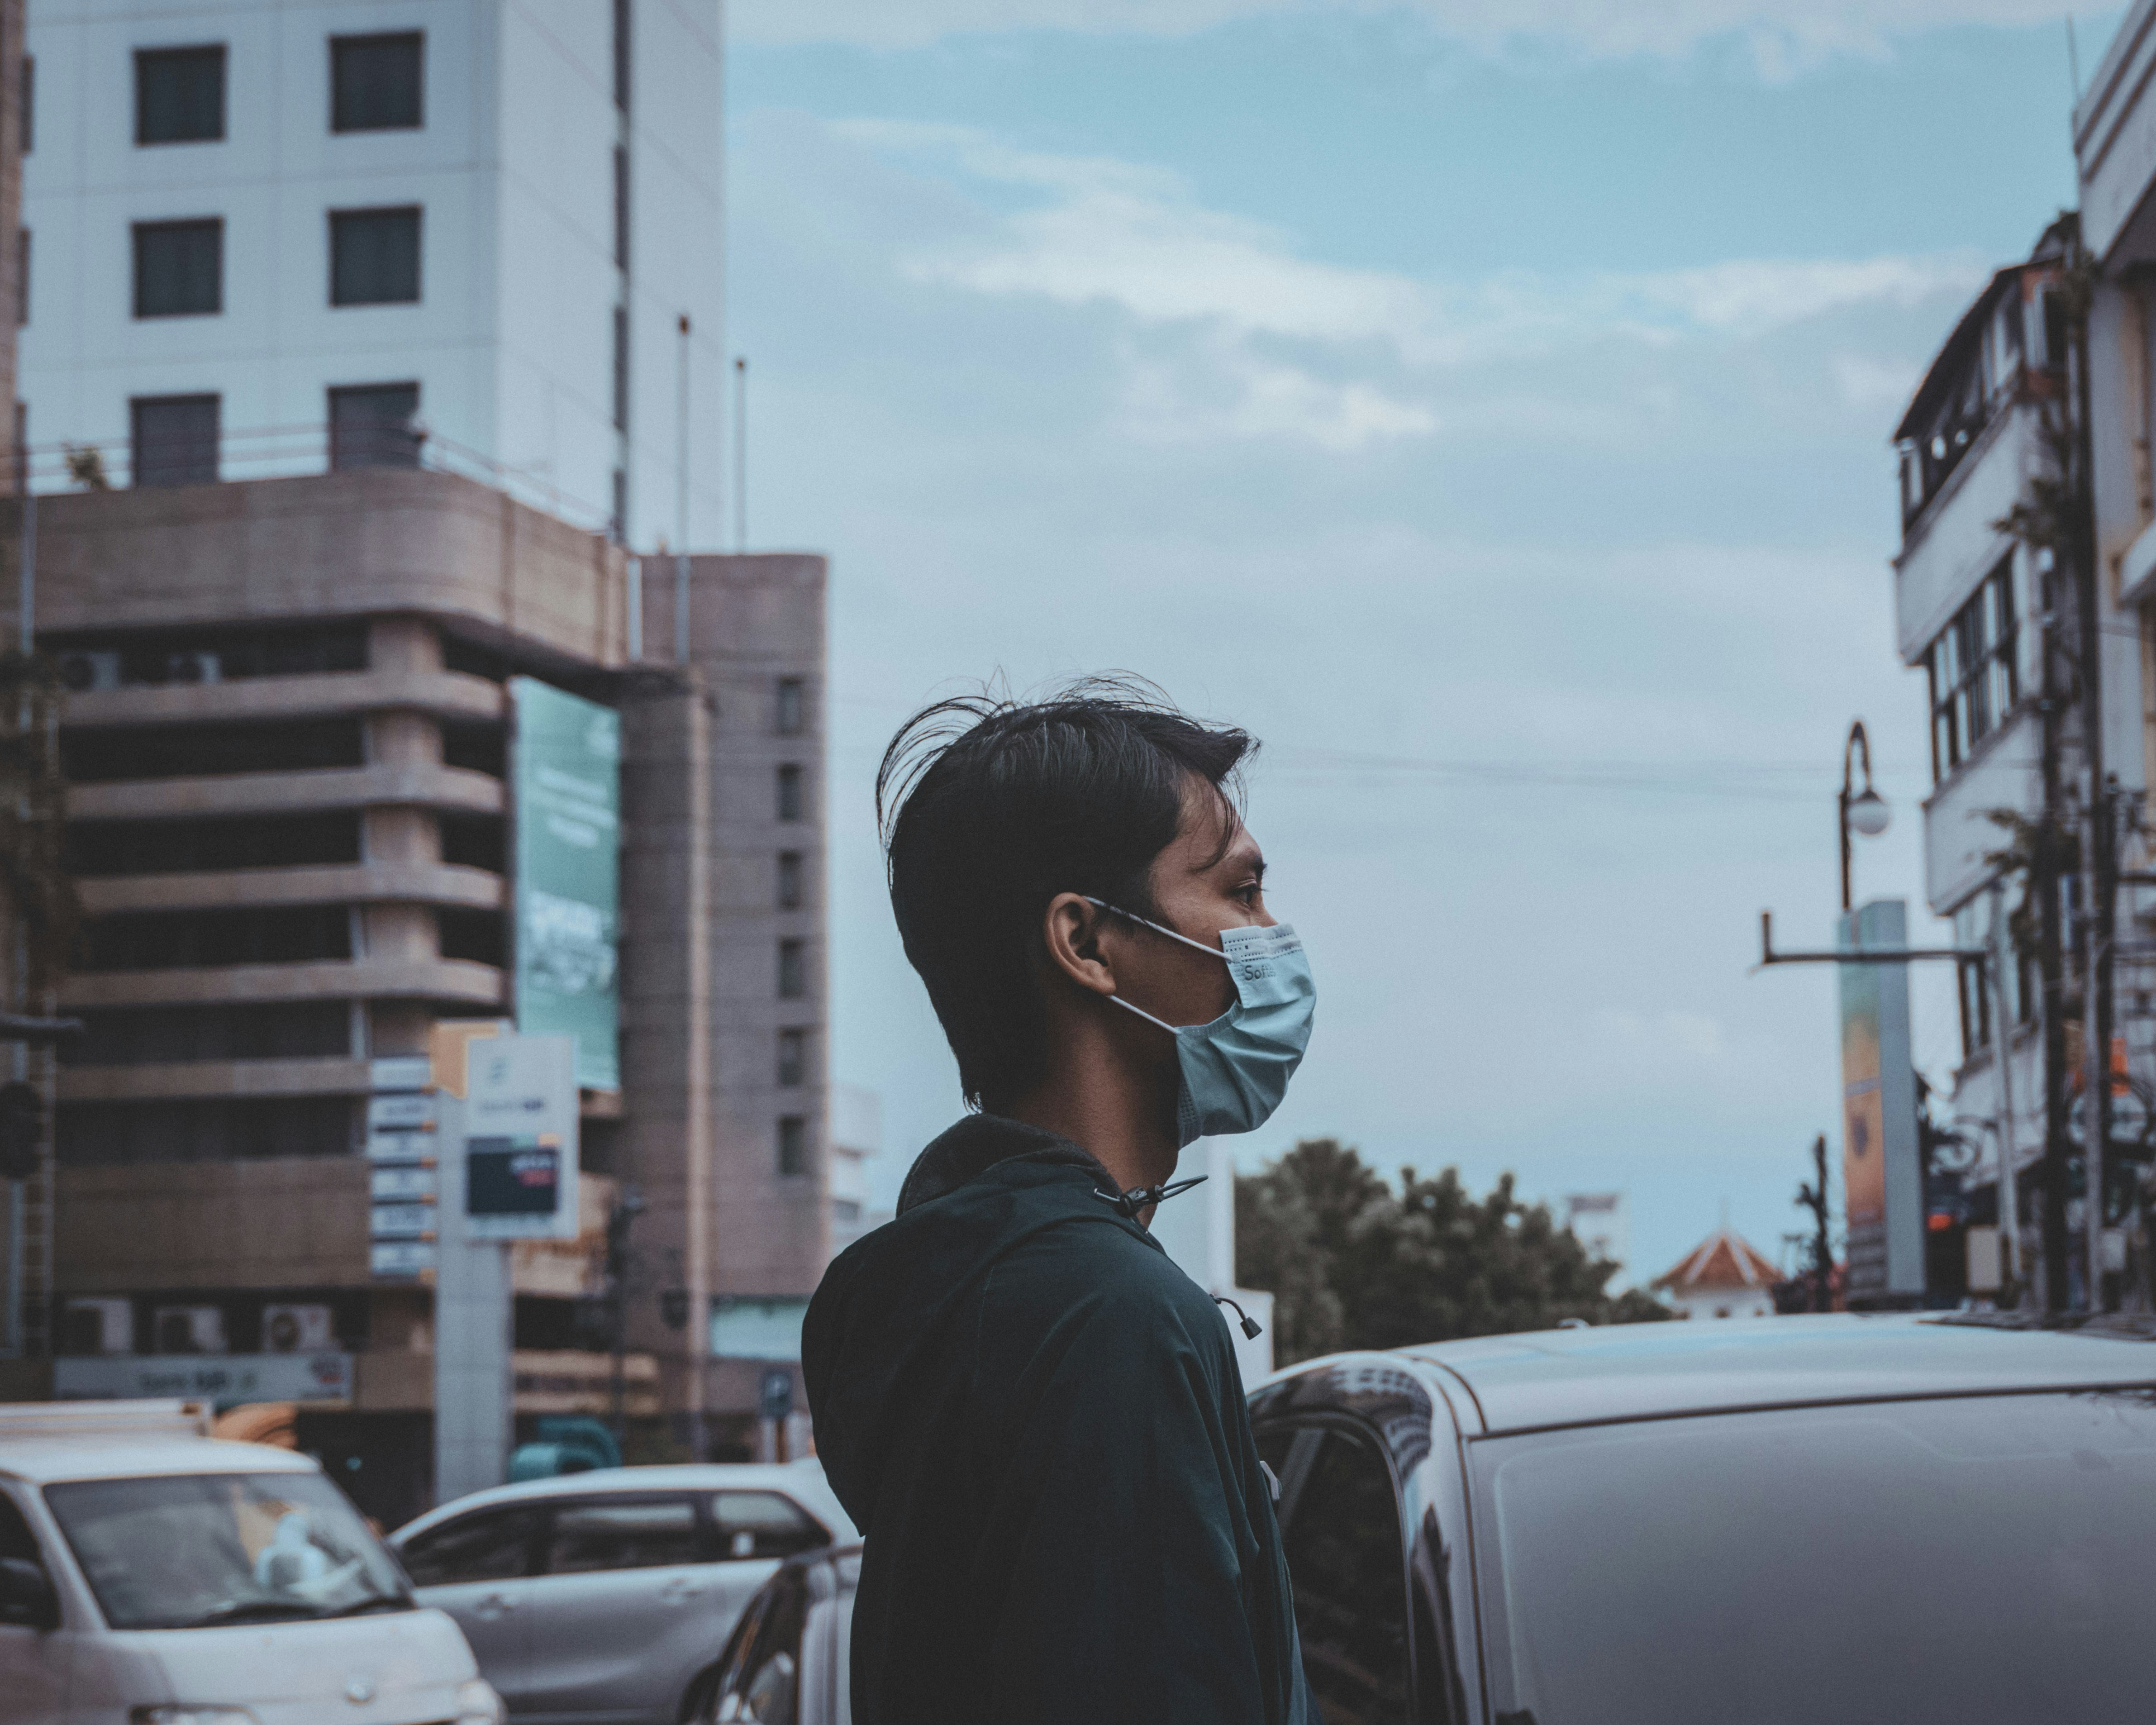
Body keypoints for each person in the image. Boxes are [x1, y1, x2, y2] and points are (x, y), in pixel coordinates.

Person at [803, 679, 1317, 1725]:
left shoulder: (958, 1282)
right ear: (1085, 942)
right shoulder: (1112, 1321)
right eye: (1240, 890)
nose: (1273, 934)